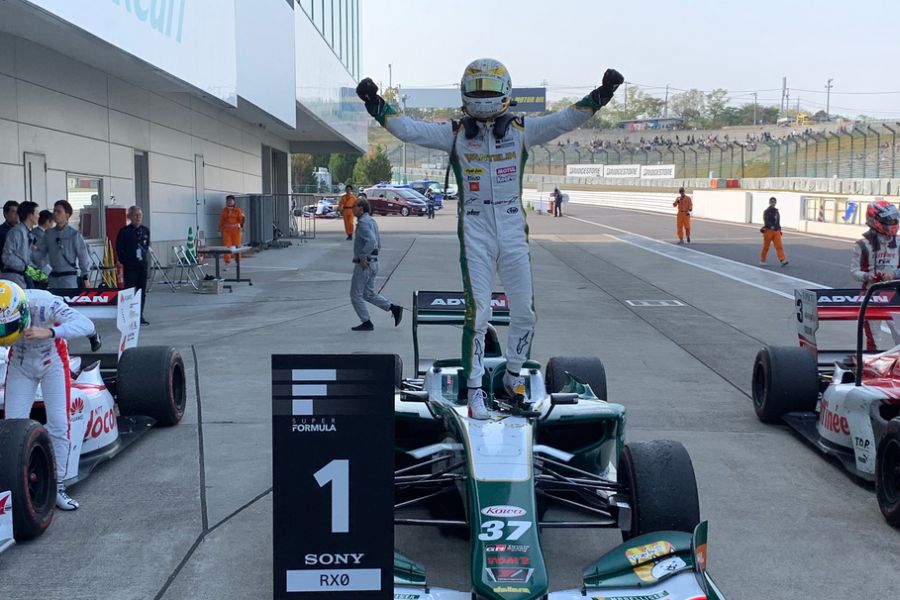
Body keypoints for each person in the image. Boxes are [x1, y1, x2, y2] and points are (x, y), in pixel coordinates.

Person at [356, 59, 623, 419]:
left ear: (505, 92)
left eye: (489, 89)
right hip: (476, 232)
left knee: (525, 313)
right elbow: (408, 130)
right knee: (479, 312)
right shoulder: (453, 134)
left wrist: (601, 95)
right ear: (465, 94)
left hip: (514, 231)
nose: (483, 96)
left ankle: (513, 379)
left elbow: (564, 119)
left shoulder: (522, 129)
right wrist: (376, 104)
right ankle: (475, 391)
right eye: (476, 89)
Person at [0, 280, 97, 510]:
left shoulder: (45, 303)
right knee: (12, 427)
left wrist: (52, 331)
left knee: (59, 424)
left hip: (52, 361)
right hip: (20, 363)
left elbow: (86, 323)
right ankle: (12, 485)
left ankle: (58, 485)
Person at [851, 200, 900, 350]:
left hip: (895, 295)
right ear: (875, 220)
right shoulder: (861, 244)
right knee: (874, 339)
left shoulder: (899, 242)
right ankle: (873, 369)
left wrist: (894, 274)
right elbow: (854, 271)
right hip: (871, 295)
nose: (893, 222)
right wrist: (868, 277)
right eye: (888, 219)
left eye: (894, 218)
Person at [349, 198, 402, 331]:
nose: (352, 209)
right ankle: (393, 308)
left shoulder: (362, 223)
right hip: (374, 262)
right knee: (368, 294)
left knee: (356, 295)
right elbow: (378, 243)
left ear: (361, 208)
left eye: (354, 207)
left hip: (365, 264)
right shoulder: (372, 221)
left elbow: (372, 241)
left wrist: (362, 257)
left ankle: (366, 321)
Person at [36, 200, 93, 289]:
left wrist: (85, 276)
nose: (55, 214)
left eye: (59, 211)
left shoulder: (74, 234)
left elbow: (83, 257)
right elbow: (39, 254)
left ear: (67, 214)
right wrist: (42, 270)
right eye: (54, 211)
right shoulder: (48, 234)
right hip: (53, 277)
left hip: (69, 277)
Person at [116, 206, 150, 325]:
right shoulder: (124, 232)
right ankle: (128, 314)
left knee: (141, 290)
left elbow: (146, 246)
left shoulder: (145, 231)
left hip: (142, 265)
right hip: (130, 266)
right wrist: (126, 260)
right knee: (130, 291)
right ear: (129, 216)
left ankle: (139, 314)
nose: (138, 217)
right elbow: (119, 249)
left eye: (140, 215)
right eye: (135, 215)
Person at [2, 201, 39, 288]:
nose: (39, 216)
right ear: (30, 215)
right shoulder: (16, 232)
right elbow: (7, 256)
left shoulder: (27, 233)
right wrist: (25, 268)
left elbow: (26, 258)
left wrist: (38, 274)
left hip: (23, 276)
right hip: (14, 278)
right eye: (37, 213)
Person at [759, 197, 788, 267]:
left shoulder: (777, 212)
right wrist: (771, 226)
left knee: (779, 246)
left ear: (775, 203)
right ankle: (762, 260)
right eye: (771, 202)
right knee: (766, 247)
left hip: (776, 231)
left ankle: (782, 260)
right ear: (769, 203)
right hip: (768, 231)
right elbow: (766, 220)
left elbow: (778, 221)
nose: (773, 203)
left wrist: (779, 229)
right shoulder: (766, 211)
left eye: (774, 202)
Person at [217, 194, 245, 265]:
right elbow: (221, 220)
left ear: (234, 202)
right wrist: (219, 228)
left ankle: (237, 260)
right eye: (228, 200)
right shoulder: (224, 211)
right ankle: (227, 261)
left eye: (231, 200)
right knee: (227, 245)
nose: (229, 202)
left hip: (236, 230)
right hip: (227, 230)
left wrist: (242, 227)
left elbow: (241, 221)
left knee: (237, 245)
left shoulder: (238, 210)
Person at [0, 200, 19, 273]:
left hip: (22, 272)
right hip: (6, 271)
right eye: (13, 212)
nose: (17, 215)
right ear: (5, 214)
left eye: (18, 212)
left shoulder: (23, 231)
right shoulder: (1, 231)